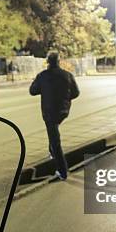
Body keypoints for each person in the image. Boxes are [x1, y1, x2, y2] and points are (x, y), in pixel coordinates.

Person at [29, 51, 80, 180]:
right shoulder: (67, 75)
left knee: (55, 140)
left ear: (48, 63)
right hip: (63, 111)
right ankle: (52, 152)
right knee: (53, 132)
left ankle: (62, 171)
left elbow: (32, 91)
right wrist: (66, 98)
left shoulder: (42, 76)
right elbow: (76, 93)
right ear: (58, 62)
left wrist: (40, 85)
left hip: (49, 112)